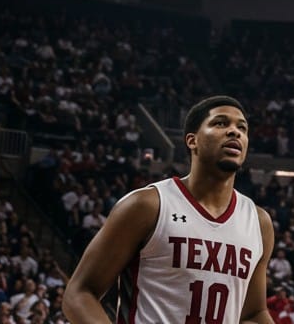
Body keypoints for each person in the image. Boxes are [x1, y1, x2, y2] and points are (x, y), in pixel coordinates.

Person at [63, 95, 274, 324]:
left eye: (242, 127)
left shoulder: (258, 222)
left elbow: (253, 314)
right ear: (192, 141)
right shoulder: (147, 206)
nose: (235, 132)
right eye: (220, 123)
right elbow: (80, 293)